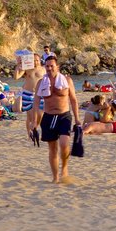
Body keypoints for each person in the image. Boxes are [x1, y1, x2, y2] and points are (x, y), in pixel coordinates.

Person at [36, 56, 80, 184]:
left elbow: (73, 100)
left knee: (64, 143)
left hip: (64, 115)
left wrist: (77, 118)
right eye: (47, 66)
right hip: (48, 116)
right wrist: (34, 121)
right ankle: (55, 177)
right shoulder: (41, 83)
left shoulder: (67, 81)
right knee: (53, 148)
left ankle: (64, 168)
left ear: (57, 67)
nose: (49, 68)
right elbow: (36, 102)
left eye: (52, 66)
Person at [15, 53, 44, 139]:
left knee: (40, 114)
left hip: (40, 94)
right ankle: (29, 133)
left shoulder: (43, 70)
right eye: (34, 60)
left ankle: (34, 127)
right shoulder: (27, 69)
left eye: (37, 60)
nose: (36, 62)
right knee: (30, 116)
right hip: (28, 94)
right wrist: (18, 67)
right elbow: (16, 77)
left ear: (40, 61)